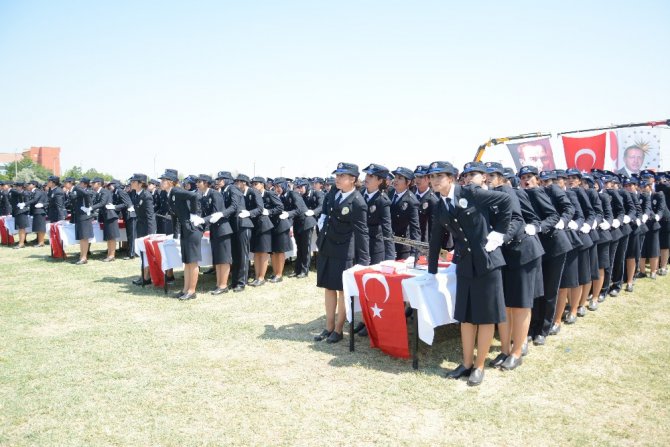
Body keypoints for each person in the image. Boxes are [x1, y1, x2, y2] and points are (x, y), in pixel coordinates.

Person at [427, 161, 512, 386]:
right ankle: (466, 363)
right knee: (465, 316)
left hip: (487, 261)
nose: (435, 181)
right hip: (465, 263)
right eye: (432, 177)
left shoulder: (470, 192)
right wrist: (431, 269)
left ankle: (480, 365)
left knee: (484, 317)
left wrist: (499, 234)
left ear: (452, 178)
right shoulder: (440, 204)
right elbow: (436, 237)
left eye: (440, 176)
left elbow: (506, 201)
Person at [485, 162, 544, 369]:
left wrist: (501, 238)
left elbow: (523, 219)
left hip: (523, 252)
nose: (489, 178)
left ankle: (517, 352)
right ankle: (505, 349)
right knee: (507, 305)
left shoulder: (509, 192)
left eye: (493, 175)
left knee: (520, 305)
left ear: (502, 177)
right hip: (507, 255)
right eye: (486, 175)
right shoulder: (489, 193)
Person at [315, 162, 370, 344]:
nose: (337, 179)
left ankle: (338, 329)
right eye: (337, 175)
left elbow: (362, 232)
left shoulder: (358, 202)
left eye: (341, 176)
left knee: (342, 290)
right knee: (328, 287)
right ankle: (329, 326)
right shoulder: (333, 193)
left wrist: (364, 260)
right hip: (327, 246)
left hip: (344, 250)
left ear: (353, 179)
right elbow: (326, 214)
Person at [159, 170, 203, 300]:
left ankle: (191, 291)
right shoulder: (169, 194)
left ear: (171, 182)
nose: (161, 183)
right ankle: (185, 290)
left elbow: (194, 196)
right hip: (184, 229)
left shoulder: (176, 191)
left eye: (163, 180)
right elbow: (174, 216)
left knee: (192, 261)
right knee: (187, 261)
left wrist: (194, 214)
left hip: (191, 228)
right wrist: (175, 234)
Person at [198, 174, 235, 294]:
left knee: (223, 259)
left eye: (200, 181)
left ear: (206, 183)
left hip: (222, 229)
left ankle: (223, 285)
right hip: (214, 230)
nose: (197, 184)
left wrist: (203, 220)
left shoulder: (215, 194)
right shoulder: (203, 196)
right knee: (218, 259)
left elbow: (217, 214)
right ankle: (219, 284)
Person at [250, 176, 282, 286]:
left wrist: (268, 211)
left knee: (264, 252)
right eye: (252, 184)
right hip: (256, 226)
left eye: (256, 184)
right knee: (257, 252)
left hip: (267, 225)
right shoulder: (253, 195)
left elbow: (279, 207)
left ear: (262, 185)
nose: (254, 186)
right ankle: (257, 276)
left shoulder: (269, 194)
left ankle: (261, 277)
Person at [129, 173, 157, 285]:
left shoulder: (146, 196)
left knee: (146, 253)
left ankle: (146, 277)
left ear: (141, 184)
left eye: (134, 182)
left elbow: (150, 216)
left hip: (147, 228)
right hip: (140, 226)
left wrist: (151, 233)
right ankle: (144, 276)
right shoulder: (136, 194)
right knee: (142, 253)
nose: (131, 183)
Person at [390, 167, 420, 260]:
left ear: (408, 182)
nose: (396, 180)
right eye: (395, 177)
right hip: (387, 243)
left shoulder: (411, 201)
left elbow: (415, 229)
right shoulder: (389, 193)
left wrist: (414, 253)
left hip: (402, 246)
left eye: (400, 178)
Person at [291, 179, 317, 278]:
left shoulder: (314, 194)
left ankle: (304, 270)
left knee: (305, 248)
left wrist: (313, 212)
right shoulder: (298, 196)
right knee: (299, 248)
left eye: (301, 187)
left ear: (306, 187)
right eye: (298, 187)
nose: (299, 189)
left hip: (307, 223)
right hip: (298, 223)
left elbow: (320, 206)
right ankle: (298, 269)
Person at [89, 178, 119, 262]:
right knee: (108, 237)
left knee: (111, 237)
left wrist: (91, 208)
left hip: (110, 216)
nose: (92, 185)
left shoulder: (104, 192)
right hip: (106, 217)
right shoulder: (99, 192)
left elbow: (102, 203)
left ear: (98, 184)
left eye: (93, 183)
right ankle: (109, 254)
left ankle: (112, 255)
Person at [71, 177, 95, 264]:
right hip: (79, 216)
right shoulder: (80, 191)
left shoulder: (87, 191)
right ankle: (82, 255)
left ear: (85, 184)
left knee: (84, 238)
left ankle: (84, 257)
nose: (79, 184)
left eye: (81, 183)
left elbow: (87, 195)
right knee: (81, 238)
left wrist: (88, 207)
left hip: (85, 217)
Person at [25, 180, 48, 247]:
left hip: (39, 211)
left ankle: (41, 242)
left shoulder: (37, 191)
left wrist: (25, 204)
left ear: (34, 185)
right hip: (36, 211)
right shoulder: (34, 191)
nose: (28, 185)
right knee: (38, 227)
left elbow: (35, 200)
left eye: (30, 184)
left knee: (40, 227)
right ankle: (39, 241)